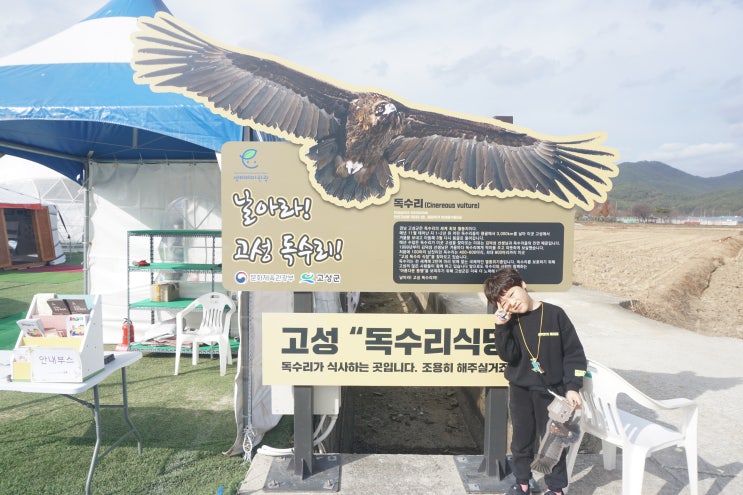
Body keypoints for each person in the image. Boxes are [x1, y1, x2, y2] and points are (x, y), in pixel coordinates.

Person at [483, 267, 587, 495]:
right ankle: (522, 482)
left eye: (511, 294)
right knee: (521, 439)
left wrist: (573, 387)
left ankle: (556, 489)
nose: (511, 303)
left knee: (553, 441)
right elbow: (508, 356)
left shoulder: (555, 314)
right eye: (503, 302)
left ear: (523, 284)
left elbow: (574, 354)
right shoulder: (510, 322)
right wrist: (501, 327)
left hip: (553, 392)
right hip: (520, 389)